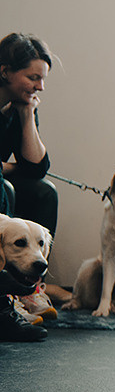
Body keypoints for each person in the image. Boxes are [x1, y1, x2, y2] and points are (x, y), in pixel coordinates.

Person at [0, 32, 58, 341]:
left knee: (43, 190)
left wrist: (26, 116)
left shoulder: (18, 106)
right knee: (4, 188)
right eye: (33, 77)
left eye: (43, 79)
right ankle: (4, 299)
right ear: (5, 71)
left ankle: (30, 287)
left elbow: (35, 167)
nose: (40, 87)